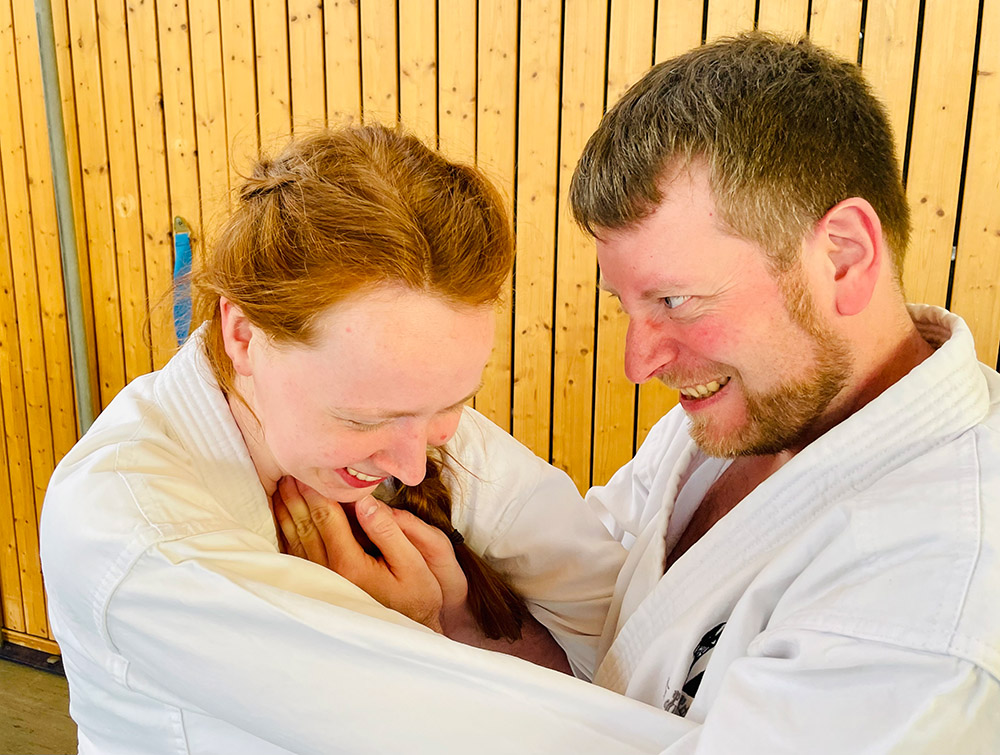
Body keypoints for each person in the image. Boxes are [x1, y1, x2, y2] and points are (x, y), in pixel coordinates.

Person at [41, 125, 687, 755]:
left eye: (452, 404)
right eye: (362, 420)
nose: (410, 464)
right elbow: (454, 727)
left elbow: (637, 642)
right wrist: (413, 629)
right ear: (241, 336)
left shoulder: (413, 417)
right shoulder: (135, 532)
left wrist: (460, 619)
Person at [562, 31, 1000, 752]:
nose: (639, 362)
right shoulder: (738, 410)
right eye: (627, 306)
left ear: (843, 255)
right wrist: (472, 619)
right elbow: (606, 614)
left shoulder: (935, 599)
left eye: (675, 300)